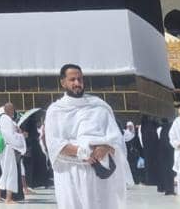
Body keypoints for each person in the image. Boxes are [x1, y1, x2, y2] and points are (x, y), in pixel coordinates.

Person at [43, 63, 127, 209]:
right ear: (63, 82)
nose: (77, 83)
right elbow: (55, 144)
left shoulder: (99, 107)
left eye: (80, 79)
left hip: (100, 176)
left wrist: (106, 147)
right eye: (72, 80)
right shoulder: (55, 111)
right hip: (70, 175)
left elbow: (117, 139)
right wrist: (82, 151)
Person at [0, 103, 26, 203]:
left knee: (6, 172)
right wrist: (21, 137)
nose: (13, 111)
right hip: (8, 148)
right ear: (8, 110)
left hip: (5, 149)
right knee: (11, 172)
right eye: (12, 109)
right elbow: (10, 136)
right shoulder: (6, 119)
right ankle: (8, 198)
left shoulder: (4, 119)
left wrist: (18, 132)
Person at [154, 118, 177, 196]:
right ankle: (170, 189)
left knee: (163, 171)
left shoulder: (159, 129)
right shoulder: (170, 130)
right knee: (170, 171)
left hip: (161, 152)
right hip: (169, 153)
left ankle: (163, 188)